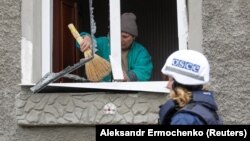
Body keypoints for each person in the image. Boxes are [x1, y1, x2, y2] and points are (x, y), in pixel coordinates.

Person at [77, 12, 153, 82]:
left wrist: (128, 76)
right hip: (104, 91)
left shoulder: (140, 51)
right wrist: (86, 37)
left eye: (125, 37)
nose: (120, 39)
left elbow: (144, 70)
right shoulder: (103, 43)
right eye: (117, 35)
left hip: (129, 92)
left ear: (133, 38)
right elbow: (80, 41)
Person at [159, 50, 223, 125]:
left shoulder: (184, 119)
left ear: (179, 83)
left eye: (170, 79)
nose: (168, 86)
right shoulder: (203, 110)